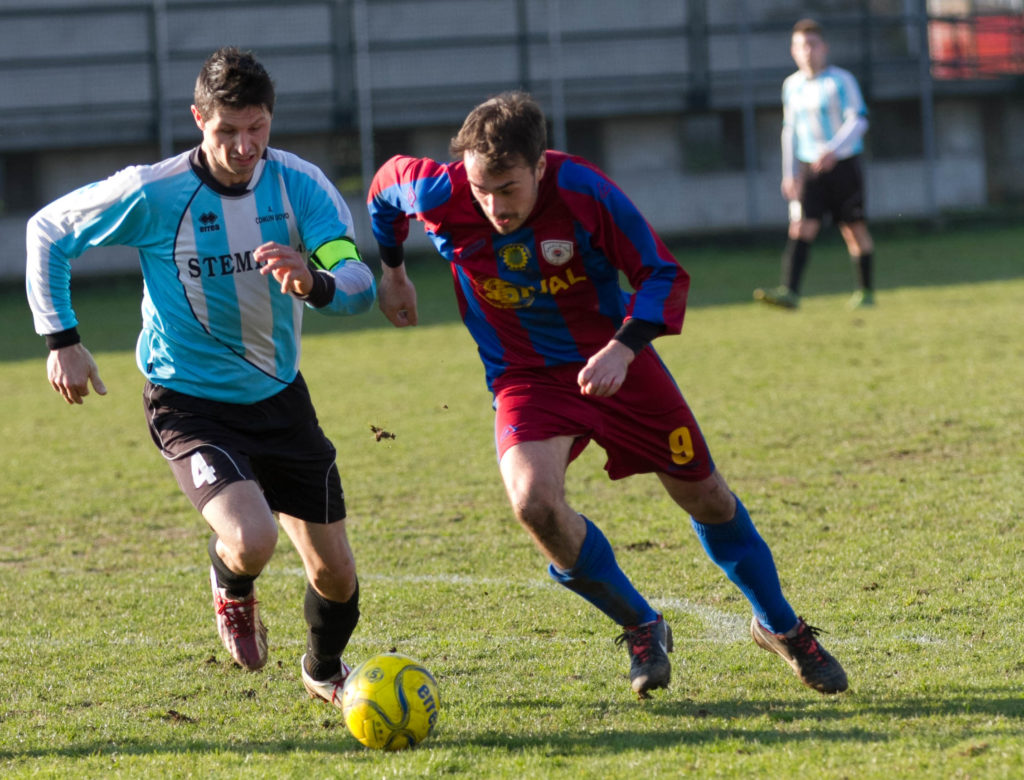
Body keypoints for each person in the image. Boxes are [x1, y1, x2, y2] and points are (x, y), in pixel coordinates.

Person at [367, 91, 848, 697]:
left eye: (508, 189)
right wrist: (393, 271)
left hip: (617, 359)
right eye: (481, 189)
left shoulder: (584, 191)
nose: (493, 205)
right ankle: (641, 625)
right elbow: (384, 189)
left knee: (708, 499)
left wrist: (623, 347)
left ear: (540, 166)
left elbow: (661, 272)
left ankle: (781, 626)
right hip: (525, 377)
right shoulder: (439, 190)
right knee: (532, 505)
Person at [25, 47, 375, 709]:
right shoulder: (153, 192)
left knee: (335, 572)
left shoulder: (301, 186)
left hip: (280, 398)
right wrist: (62, 340)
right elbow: (48, 231)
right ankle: (231, 584)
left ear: (271, 120)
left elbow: (356, 283)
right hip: (188, 402)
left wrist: (317, 279)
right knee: (252, 538)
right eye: (227, 131)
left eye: (257, 129)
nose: (244, 147)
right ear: (198, 119)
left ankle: (323, 669)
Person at [754, 18, 876, 310]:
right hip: (810, 168)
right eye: (800, 46)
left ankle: (866, 291)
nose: (807, 51)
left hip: (843, 165)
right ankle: (790, 292)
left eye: (812, 44)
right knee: (800, 226)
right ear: (793, 51)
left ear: (824, 48)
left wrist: (833, 149)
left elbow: (859, 121)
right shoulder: (792, 86)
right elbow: (789, 130)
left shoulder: (841, 81)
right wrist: (789, 173)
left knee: (853, 229)